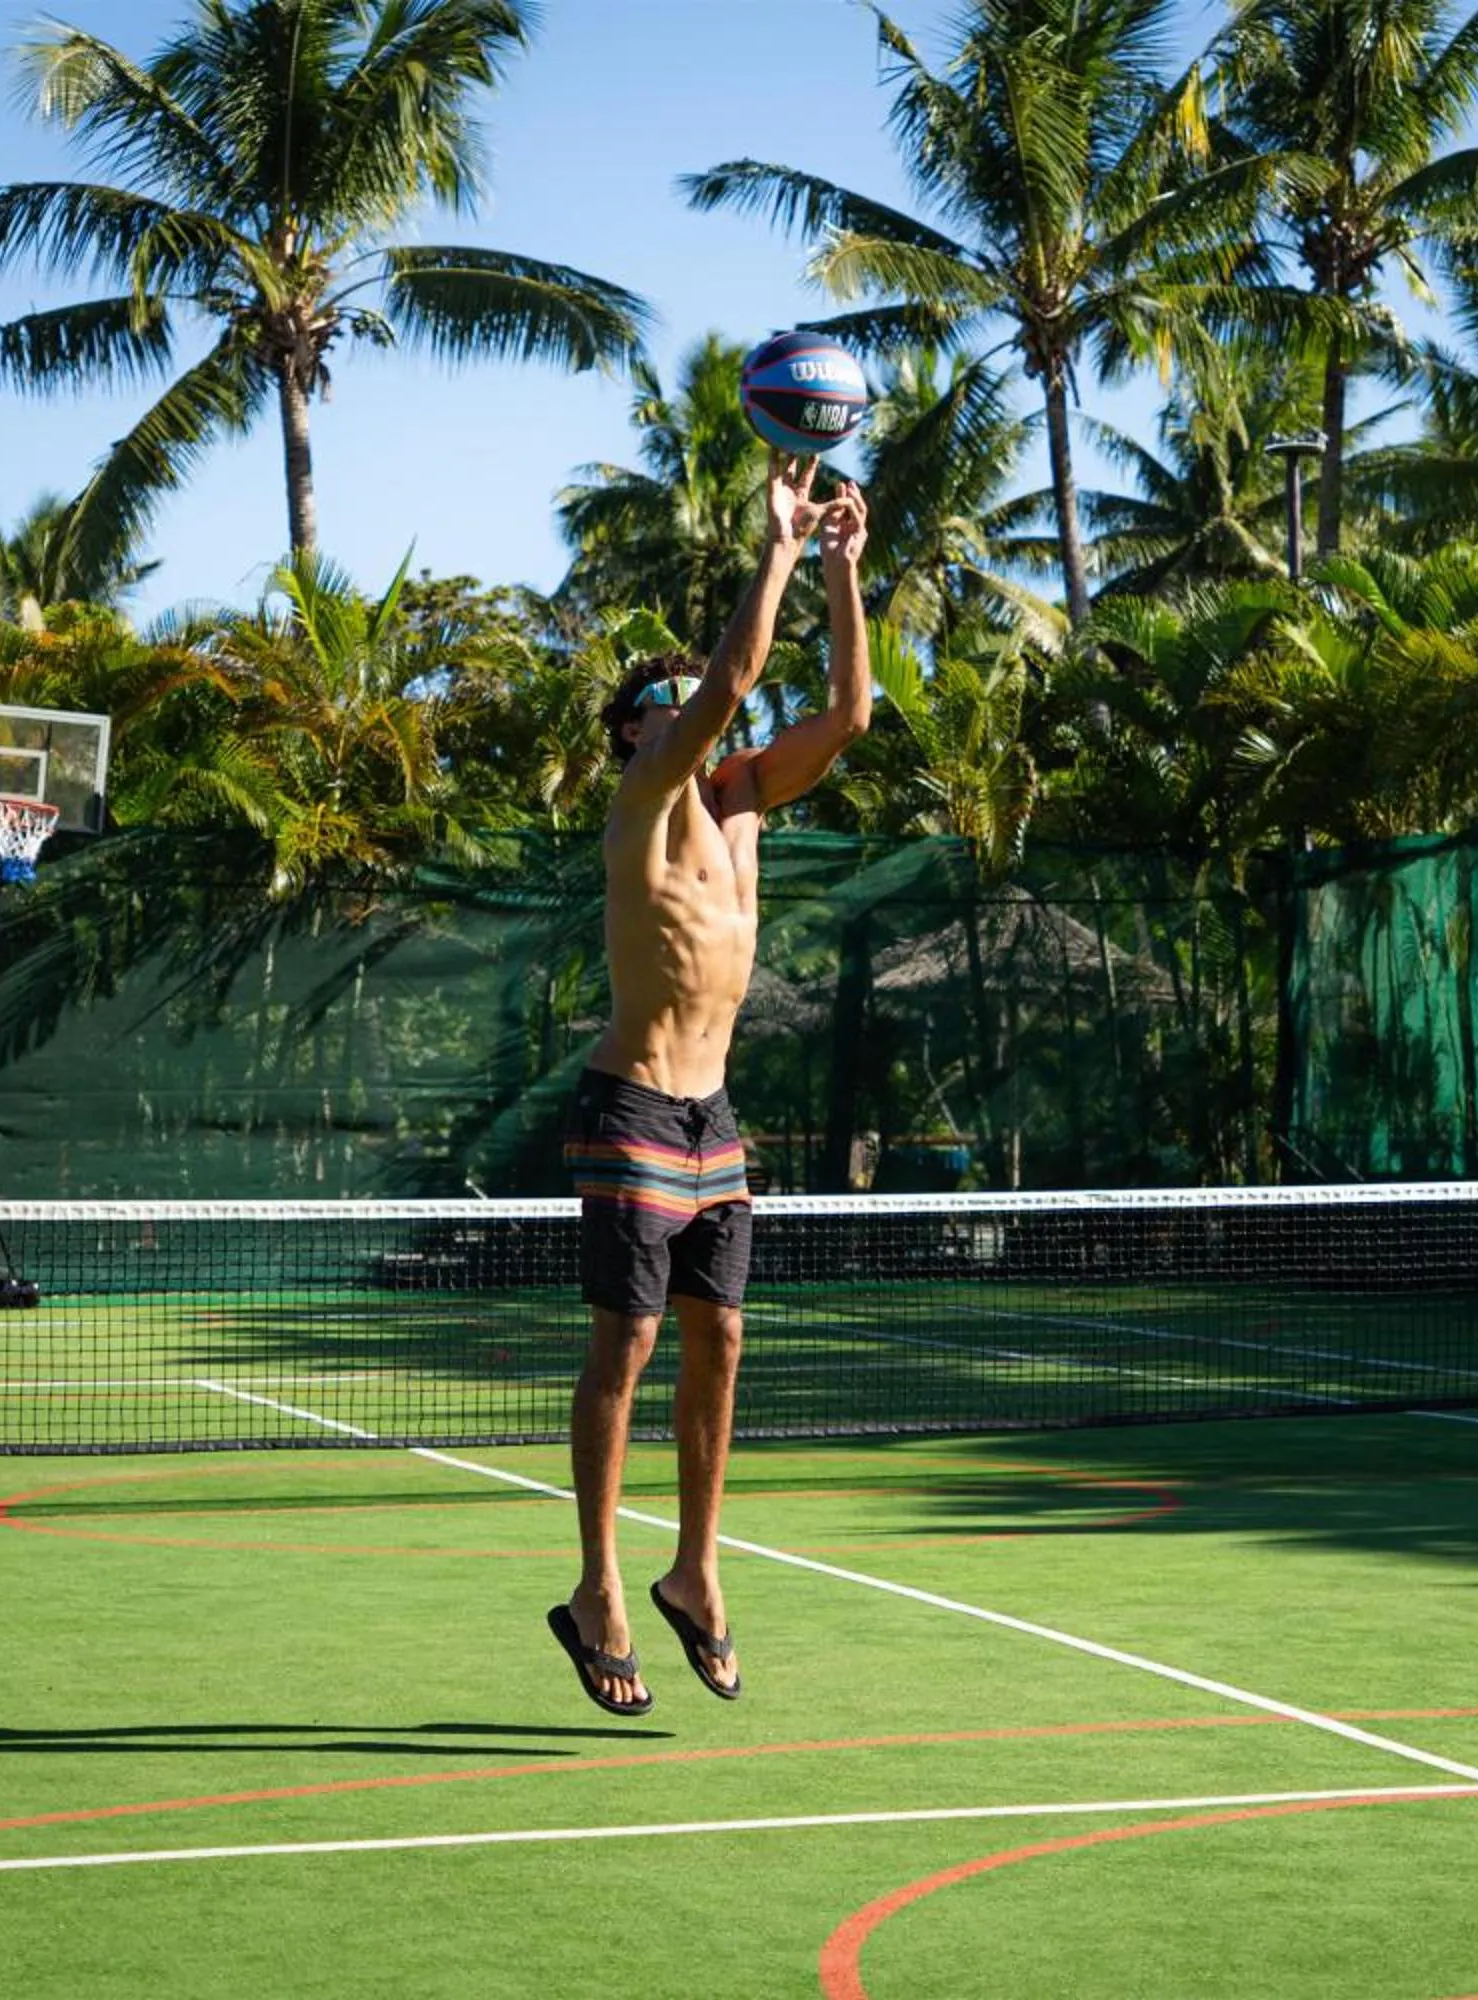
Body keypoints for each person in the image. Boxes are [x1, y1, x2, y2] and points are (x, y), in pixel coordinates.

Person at [546, 453, 872, 1716]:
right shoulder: (645, 794)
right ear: (636, 729)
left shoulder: (744, 802)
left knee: (720, 1338)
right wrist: (777, 541)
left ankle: (693, 1569)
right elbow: (732, 678)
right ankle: (598, 1587)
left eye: (689, 697)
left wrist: (839, 566)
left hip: (712, 1119)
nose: (693, 704)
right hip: (632, 1102)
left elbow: (847, 714)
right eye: (665, 698)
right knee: (626, 1342)